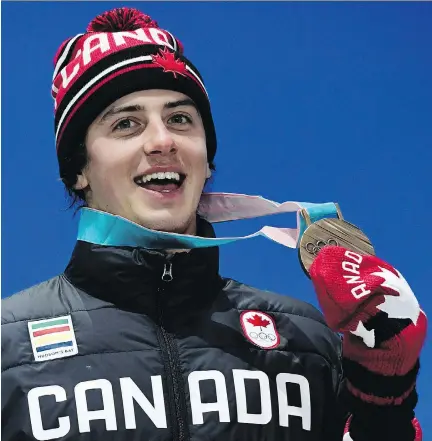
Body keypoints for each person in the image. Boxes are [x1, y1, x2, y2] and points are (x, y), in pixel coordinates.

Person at [1, 7, 427, 441]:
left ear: (206, 160)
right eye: (126, 124)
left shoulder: (304, 341)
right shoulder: (8, 348)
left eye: (180, 119)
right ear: (78, 169)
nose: (162, 141)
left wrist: (384, 392)